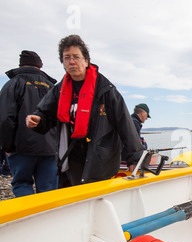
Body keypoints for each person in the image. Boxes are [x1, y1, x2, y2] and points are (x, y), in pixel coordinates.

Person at [26, 35, 144, 186]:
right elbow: (45, 113)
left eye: (76, 57)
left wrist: (134, 158)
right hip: (71, 155)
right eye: (67, 57)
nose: (72, 61)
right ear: (62, 62)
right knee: (73, 195)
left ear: (86, 60)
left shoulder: (105, 90)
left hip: (100, 158)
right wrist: (37, 120)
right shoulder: (60, 89)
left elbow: (125, 124)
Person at [0, 50, 58, 197]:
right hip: (49, 148)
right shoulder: (52, 88)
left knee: (22, 183)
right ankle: (47, 218)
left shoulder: (12, 84)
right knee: (48, 189)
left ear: (20, 66)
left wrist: (7, 147)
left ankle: (29, 218)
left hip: (21, 147)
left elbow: (5, 118)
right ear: (39, 67)